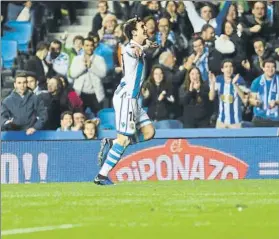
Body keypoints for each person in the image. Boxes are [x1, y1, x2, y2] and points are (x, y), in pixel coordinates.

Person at [94, 17, 157, 186]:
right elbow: (136, 52)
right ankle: (101, 175)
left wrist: (147, 46)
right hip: (126, 98)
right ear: (134, 32)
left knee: (149, 132)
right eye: (142, 26)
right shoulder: (128, 47)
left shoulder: (137, 47)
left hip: (134, 99)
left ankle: (113, 143)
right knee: (124, 140)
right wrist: (146, 46)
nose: (145, 28)